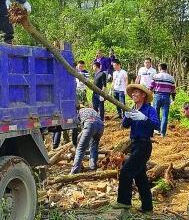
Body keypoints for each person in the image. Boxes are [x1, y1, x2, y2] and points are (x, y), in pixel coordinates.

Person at [113, 84, 159, 213]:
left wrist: (144, 118)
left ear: (143, 95)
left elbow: (156, 125)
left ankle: (124, 202)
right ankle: (147, 206)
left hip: (144, 145)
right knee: (140, 177)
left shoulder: (150, 110)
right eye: (132, 93)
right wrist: (127, 116)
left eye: (136, 92)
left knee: (126, 171)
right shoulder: (132, 108)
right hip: (134, 144)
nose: (133, 94)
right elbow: (125, 125)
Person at [70, 106, 104, 174]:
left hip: (89, 124)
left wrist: (75, 144)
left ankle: (74, 171)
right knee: (94, 146)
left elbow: (75, 130)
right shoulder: (91, 110)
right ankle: (93, 167)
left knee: (80, 149)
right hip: (101, 125)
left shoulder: (78, 113)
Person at [151, 63, 176, 137]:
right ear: (166, 68)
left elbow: (151, 87)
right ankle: (163, 133)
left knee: (156, 113)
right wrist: (173, 99)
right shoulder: (171, 78)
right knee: (165, 115)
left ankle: (157, 129)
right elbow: (173, 90)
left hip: (157, 95)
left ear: (159, 68)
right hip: (166, 96)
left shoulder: (155, 76)